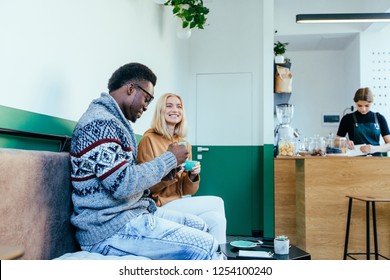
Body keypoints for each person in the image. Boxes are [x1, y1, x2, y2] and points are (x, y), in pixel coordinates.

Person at [69, 62, 223, 260]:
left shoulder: (115, 123)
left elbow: (126, 183)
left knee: (201, 225)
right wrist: (169, 159)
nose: (146, 106)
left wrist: (166, 176)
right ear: (131, 88)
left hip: (132, 212)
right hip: (108, 228)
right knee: (206, 245)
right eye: (147, 98)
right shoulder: (99, 123)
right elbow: (122, 184)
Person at [137, 93, 227, 244]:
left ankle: (217, 260)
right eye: (169, 105)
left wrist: (192, 176)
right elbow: (144, 186)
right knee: (217, 202)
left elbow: (186, 191)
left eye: (179, 106)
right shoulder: (149, 140)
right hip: (156, 205)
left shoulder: (184, 144)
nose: (175, 110)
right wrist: (170, 175)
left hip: (177, 203)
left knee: (216, 219)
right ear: (161, 110)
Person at [336, 87, 390, 156]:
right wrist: (344, 142)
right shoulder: (347, 119)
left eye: (367, 105)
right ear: (355, 102)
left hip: (376, 162)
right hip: (355, 161)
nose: (363, 109)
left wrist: (375, 149)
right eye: (359, 105)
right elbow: (336, 141)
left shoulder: (379, 118)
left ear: (372, 103)